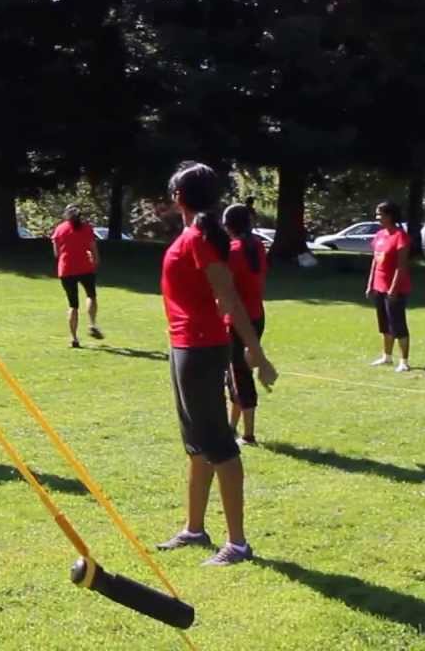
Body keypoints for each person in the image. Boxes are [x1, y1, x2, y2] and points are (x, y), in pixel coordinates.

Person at [155, 162, 277, 567]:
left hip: (202, 348)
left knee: (220, 445)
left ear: (178, 197)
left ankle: (238, 544)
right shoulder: (195, 236)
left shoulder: (201, 240)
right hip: (183, 346)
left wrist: (255, 353)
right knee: (196, 444)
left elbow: (228, 297)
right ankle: (194, 528)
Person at [222, 204, 267, 446]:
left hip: (238, 320)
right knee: (238, 372)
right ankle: (232, 427)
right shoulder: (257, 246)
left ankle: (248, 434)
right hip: (257, 316)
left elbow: (225, 289)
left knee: (239, 375)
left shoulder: (233, 251)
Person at [366, 200, 412, 372]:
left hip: (395, 288)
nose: (377, 217)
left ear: (390, 216)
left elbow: (402, 266)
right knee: (384, 324)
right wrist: (370, 284)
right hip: (379, 285)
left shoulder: (400, 236)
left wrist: (393, 289)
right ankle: (386, 357)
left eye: (380, 214)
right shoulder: (379, 235)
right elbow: (375, 261)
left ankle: (404, 362)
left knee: (397, 324)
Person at [51, 204, 102, 348]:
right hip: (85, 267)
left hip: (66, 270)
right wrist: (96, 259)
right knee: (91, 295)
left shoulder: (60, 229)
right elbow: (93, 248)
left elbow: (56, 253)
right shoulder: (87, 228)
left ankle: (74, 338)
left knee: (73, 305)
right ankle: (92, 324)